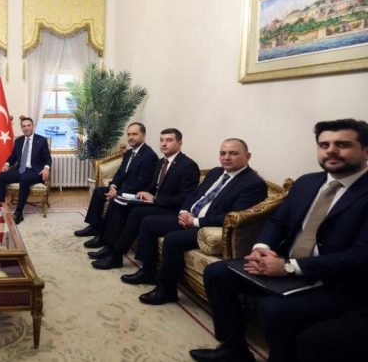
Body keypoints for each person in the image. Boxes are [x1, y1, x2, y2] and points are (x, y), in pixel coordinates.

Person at [190, 119, 368, 362]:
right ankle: (234, 350)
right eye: (324, 145)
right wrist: (261, 248)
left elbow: (360, 257)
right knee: (217, 273)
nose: (331, 150)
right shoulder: (307, 182)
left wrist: (289, 267)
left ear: (365, 150)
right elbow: (277, 222)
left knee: (273, 309)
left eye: (342, 144)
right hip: (285, 262)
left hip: (335, 280)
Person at [121, 138, 268, 306]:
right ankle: (148, 271)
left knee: (173, 239)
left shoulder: (253, 184)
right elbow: (194, 195)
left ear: (247, 156)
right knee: (148, 222)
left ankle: (167, 291)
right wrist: (184, 211)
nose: (227, 157)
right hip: (190, 217)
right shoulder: (216, 172)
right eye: (223, 153)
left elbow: (232, 216)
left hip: (208, 227)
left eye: (233, 153)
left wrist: (196, 222)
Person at [89, 128, 201, 269]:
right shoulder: (161, 162)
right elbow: (152, 186)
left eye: (169, 140)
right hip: (156, 203)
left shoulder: (188, 166)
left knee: (136, 213)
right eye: (161, 140)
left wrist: (155, 199)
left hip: (171, 209)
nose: (164, 144)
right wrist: (142, 193)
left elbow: (185, 198)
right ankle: (109, 246)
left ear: (179, 143)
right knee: (120, 203)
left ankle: (116, 255)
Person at [74, 122, 158, 238]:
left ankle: (104, 235)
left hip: (136, 193)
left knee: (115, 199)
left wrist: (118, 192)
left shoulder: (149, 155)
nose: (131, 137)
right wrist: (113, 186)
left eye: (134, 134)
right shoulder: (129, 153)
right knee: (99, 191)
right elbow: (119, 174)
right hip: (123, 189)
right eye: (129, 134)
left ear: (143, 136)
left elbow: (142, 183)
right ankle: (94, 227)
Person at [0, 117, 52, 224]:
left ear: (33, 126)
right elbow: (13, 156)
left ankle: (19, 212)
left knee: (25, 178)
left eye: (28, 125)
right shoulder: (18, 141)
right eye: (24, 126)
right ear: (21, 128)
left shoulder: (41, 140)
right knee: (0, 176)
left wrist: (46, 168)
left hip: (35, 172)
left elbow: (48, 158)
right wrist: (7, 164)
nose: (26, 128)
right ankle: (0, 207)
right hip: (20, 170)